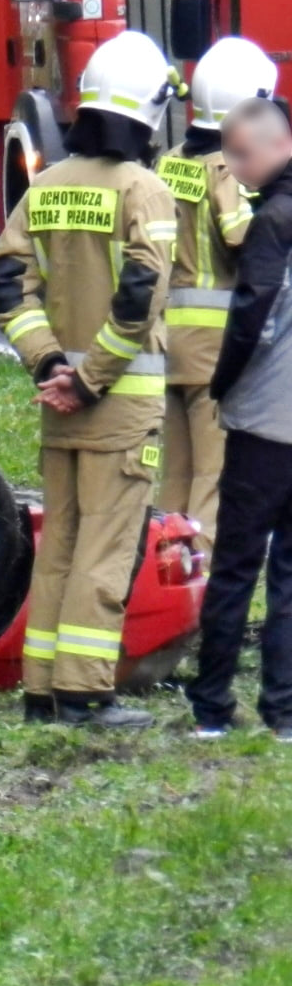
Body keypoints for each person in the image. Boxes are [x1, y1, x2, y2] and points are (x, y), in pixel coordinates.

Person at [0, 31, 178, 729]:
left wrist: (48, 365)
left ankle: (42, 690)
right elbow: (142, 295)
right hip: (118, 411)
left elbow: (7, 283)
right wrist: (91, 378)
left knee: (60, 546)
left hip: (59, 408)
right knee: (107, 545)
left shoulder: (46, 186)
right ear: (148, 111)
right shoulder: (144, 190)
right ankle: (86, 695)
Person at [186, 95, 292, 740]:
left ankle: (213, 708)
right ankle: (283, 713)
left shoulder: (273, 221)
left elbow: (252, 314)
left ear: (269, 148)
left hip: (265, 421)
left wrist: (220, 386)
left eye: (240, 160)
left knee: (235, 565)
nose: (238, 173)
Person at [156, 38, 274, 553]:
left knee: (174, 476)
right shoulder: (224, 168)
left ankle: (160, 573)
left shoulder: (170, 162)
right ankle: (195, 586)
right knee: (213, 473)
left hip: (165, 343)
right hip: (213, 348)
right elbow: (242, 235)